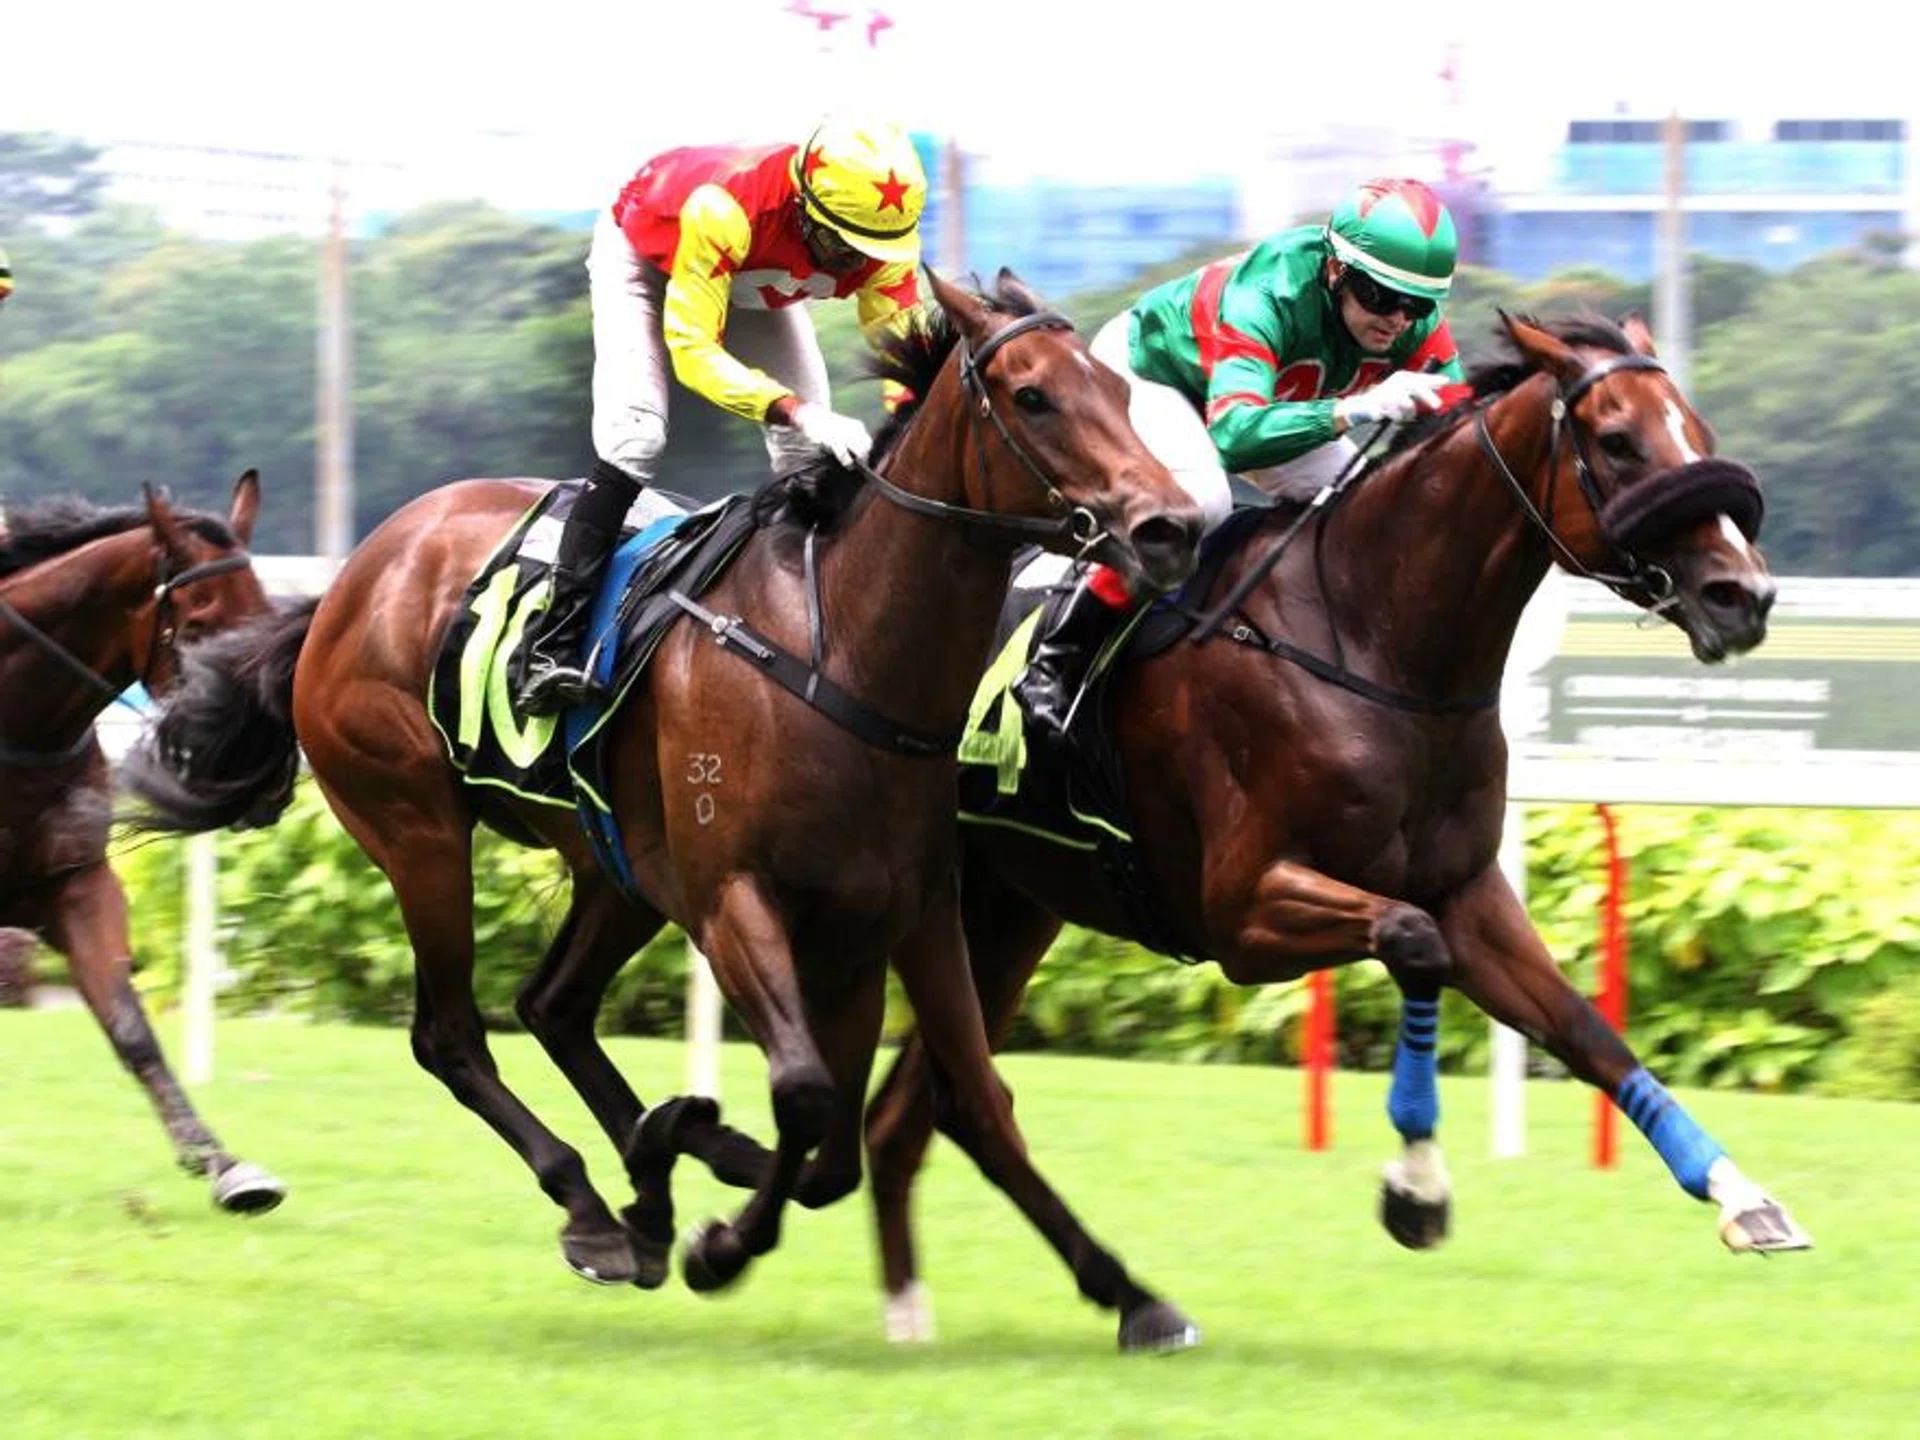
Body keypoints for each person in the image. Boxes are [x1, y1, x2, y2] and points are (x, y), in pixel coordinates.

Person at [1015, 176, 1468, 743]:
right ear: (1335, 271)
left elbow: (1461, 428)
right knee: (1202, 500)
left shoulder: (1410, 318)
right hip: (1153, 376)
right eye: (1379, 297)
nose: (1398, 320)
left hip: (1272, 402)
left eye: (1417, 305)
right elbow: (1233, 436)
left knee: (1365, 509)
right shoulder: (1271, 290)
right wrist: (1355, 410)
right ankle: (1057, 661)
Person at [516, 117, 929, 713]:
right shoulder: (726, 210)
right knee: (637, 434)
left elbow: (907, 363)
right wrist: (800, 410)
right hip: (649, 257)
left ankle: (807, 628)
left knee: (806, 460)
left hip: (748, 279)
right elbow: (694, 353)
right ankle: (551, 642)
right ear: (806, 209)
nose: (853, 264)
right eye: (843, 245)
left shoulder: (883, 236)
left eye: (869, 251)